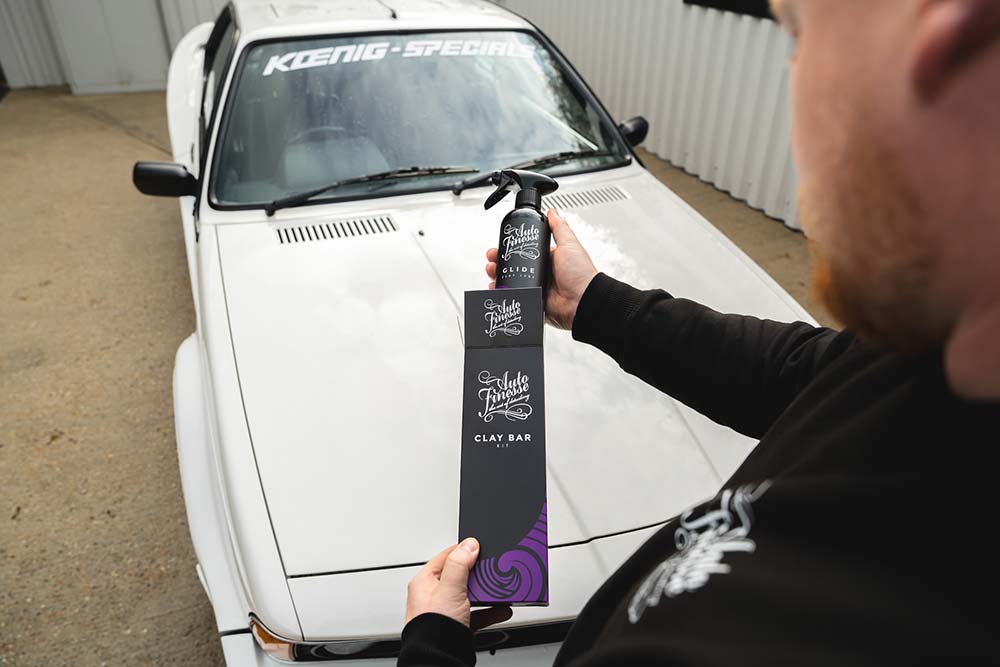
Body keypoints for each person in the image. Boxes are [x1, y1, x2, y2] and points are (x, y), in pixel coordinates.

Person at [398, 0, 1000, 664]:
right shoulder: (927, 357)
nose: (794, 76)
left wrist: (433, 645)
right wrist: (592, 300)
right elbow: (800, 372)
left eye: (796, 37)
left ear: (951, 38)